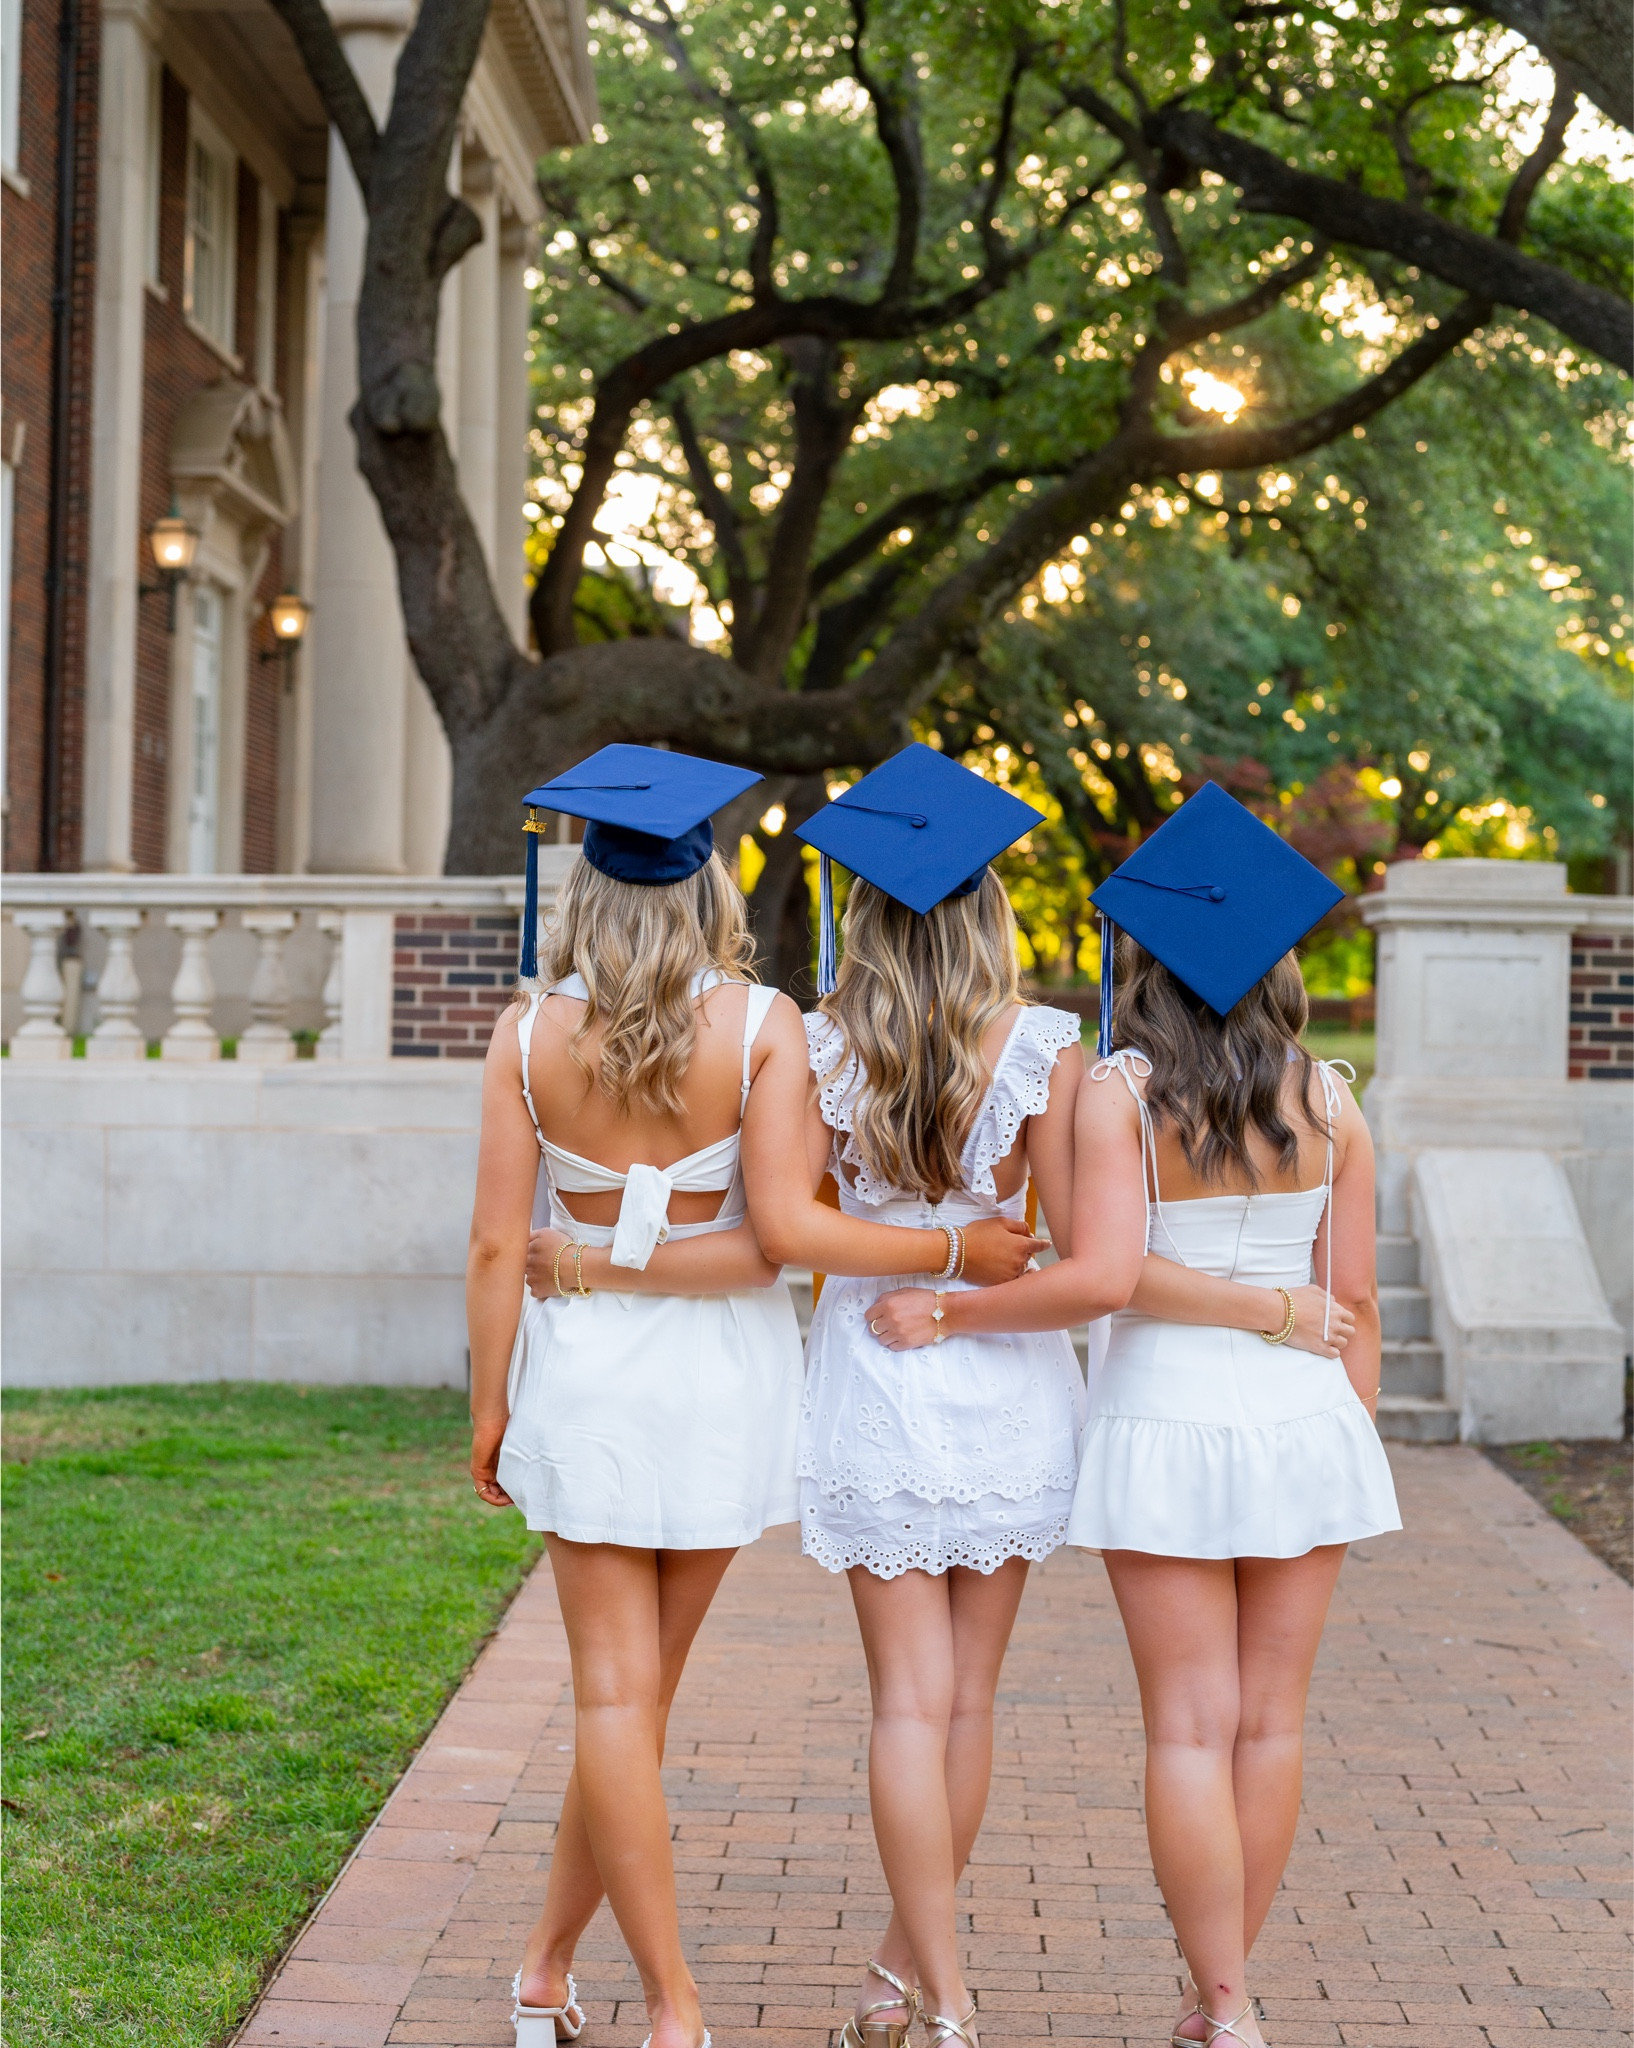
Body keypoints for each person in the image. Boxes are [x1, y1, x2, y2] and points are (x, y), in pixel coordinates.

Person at [468, 745, 1040, 2048]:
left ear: (584, 895)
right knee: (635, 1702)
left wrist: (487, 1405)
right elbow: (773, 1243)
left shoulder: (526, 1033)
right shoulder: (764, 1026)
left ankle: (649, 2000)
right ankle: (557, 1981)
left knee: (618, 1701)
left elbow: (500, 1244)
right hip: (719, 1379)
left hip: (586, 1374)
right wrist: (954, 1251)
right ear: (705, 884)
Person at [872, 782, 1400, 2048]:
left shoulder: (1118, 1094)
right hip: (1302, 1421)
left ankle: (1218, 1997)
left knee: (1186, 1724)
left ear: (1147, 961)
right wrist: (1341, 1431)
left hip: (1160, 1415)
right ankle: (1223, 2000)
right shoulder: (1329, 1102)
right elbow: (1356, 1298)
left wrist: (945, 1308)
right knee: (1268, 1722)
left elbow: (1103, 1268)